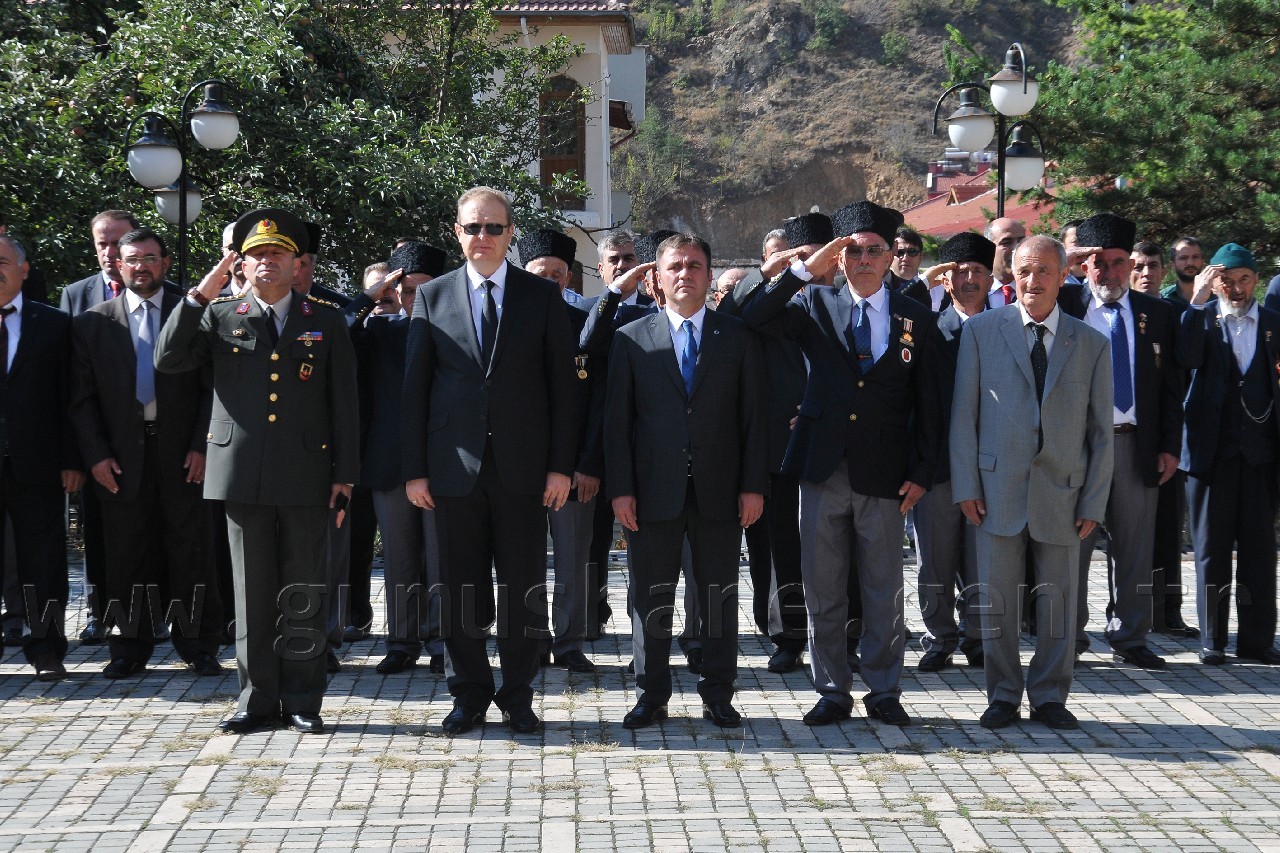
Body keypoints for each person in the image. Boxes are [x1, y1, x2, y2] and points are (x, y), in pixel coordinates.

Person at [156, 208, 359, 734]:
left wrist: (345, 472)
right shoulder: (219, 315)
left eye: (277, 254)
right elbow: (168, 358)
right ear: (239, 265)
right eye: (255, 256)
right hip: (241, 469)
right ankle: (256, 698)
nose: (266, 262)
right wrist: (202, 291)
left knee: (304, 590)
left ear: (298, 264)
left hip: (307, 471)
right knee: (250, 591)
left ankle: (302, 699)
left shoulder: (325, 320)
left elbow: (345, 403)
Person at [743, 200, 941, 728]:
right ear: (841, 256)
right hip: (823, 467)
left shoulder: (916, 319)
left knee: (882, 590)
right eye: (854, 251)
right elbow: (753, 314)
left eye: (877, 251)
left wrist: (923, 471)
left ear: (890, 256)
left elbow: (930, 403)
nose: (866, 260)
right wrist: (805, 269)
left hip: (885, 473)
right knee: (823, 587)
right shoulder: (816, 304)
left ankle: (883, 689)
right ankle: (831, 689)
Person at [403, 186, 577, 736]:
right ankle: (468, 695)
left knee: (523, 589)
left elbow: (562, 392)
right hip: (453, 470)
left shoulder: (540, 297)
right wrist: (415, 469)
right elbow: (415, 390)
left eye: (494, 229)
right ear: (457, 232)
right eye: (473, 228)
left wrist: (560, 467)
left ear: (509, 234)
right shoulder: (432, 296)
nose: (483, 238)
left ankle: (519, 695)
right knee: (458, 590)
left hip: (524, 470)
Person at [951, 234, 1113, 730]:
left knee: (1059, 604)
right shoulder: (981, 331)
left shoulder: (1090, 344)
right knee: (997, 601)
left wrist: (1094, 501)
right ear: (1012, 276)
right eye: (1024, 270)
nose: (1033, 280)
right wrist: (967, 486)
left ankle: (1049, 697)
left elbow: (1102, 433)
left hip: (1064, 493)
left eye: (1044, 270)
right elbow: (964, 416)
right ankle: (1002, 695)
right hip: (997, 491)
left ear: (1063, 276)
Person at [606, 233, 767, 729]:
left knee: (718, 596)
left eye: (695, 265)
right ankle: (650, 695)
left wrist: (752, 485)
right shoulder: (631, 339)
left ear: (709, 274)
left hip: (720, 490)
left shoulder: (736, 337)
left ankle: (719, 694)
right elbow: (617, 422)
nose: (685, 274)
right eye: (675, 265)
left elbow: (752, 419)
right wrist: (621, 489)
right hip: (652, 491)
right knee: (649, 597)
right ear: (657, 275)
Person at [69, 228, 223, 678]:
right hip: (119, 458)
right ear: (117, 265)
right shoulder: (94, 322)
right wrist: (95, 456)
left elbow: (213, 388)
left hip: (183, 454)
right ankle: (128, 648)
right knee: (125, 552)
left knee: (190, 549)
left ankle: (199, 645)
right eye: (132, 259)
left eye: (150, 258)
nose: (142, 266)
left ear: (166, 263)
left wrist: (202, 445)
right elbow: (81, 399)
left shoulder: (195, 314)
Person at [1058, 214, 1183, 670]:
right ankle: (1069, 637)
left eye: (1117, 263)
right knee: (1073, 545)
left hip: (1135, 445)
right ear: (1084, 265)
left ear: (1129, 264)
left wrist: (1170, 445)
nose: (1109, 273)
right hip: (1078, 446)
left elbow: (1170, 387)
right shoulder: (1065, 304)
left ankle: (1130, 635)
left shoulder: (1158, 313)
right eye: (1099, 264)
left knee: (1135, 545)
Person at [347, 244, 448, 675]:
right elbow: (338, 331)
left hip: (445, 465)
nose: (414, 300)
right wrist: (373, 296)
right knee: (400, 558)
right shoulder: (381, 331)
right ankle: (402, 641)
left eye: (424, 291)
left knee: (444, 558)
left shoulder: (459, 333)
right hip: (391, 464)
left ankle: (445, 639)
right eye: (406, 291)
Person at [1178, 243, 1280, 665]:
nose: (1236, 289)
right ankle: (1212, 639)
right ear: (1214, 280)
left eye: (1244, 280)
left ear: (1256, 280)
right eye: (1227, 280)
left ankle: (1257, 641)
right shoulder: (1201, 318)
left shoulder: (1274, 322)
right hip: (1211, 455)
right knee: (1211, 549)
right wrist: (1198, 299)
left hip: (1260, 453)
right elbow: (1183, 359)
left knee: (1260, 549)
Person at [517, 227, 601, 673]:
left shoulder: (586, 322)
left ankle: (569, 643)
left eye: (557, 273)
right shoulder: (508, 321)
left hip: (571, 467)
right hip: (520, 465)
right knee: (524, 558)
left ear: (569, 278)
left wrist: (587, 464)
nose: (550, 280)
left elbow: (596, 403)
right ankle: (530, 641)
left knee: (572, 559)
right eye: (540, 274)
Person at [0, 234, 84, 680]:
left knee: (44, 563)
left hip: (39, 463)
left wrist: (73, 458)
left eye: (3, 261)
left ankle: (47, 648)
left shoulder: (53, 324)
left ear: (24, 269)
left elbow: (71, 397)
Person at [912, 232, 996, 672]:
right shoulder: (928, 330)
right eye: (959, 272)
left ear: (990, 278)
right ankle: (939, 636)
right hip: (938, 465)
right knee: (935, 558)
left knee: (983, 557)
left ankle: (980, 636)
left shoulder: (1008, 328)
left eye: (978, 272)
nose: (968, 279)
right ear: (946, 281)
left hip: (991, 466)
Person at [61, 209, 141, 644]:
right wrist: (79, 454)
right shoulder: (76, 295)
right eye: (103, 244)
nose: (111, 253)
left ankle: (153, 614)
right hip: (96, 440)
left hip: (147, 437)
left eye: (119, 243)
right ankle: (99, 613)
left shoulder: (166, 293)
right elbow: (68, 381)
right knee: (97, 533)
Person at [984, 217, 1026, 302]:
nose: (1016, 248)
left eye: (1021, 241)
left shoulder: (1044, 291)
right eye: (1006, 242)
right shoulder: (972, 291)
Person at [1164, 236, 1203, 305]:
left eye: (1195, 257)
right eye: (1183, 258)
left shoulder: (1217, 297)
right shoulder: (1164, 298)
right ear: (1173, 264)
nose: (1190, 263)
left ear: (1202, 261)